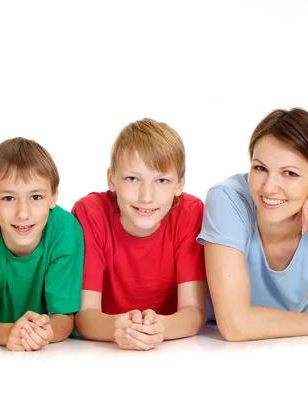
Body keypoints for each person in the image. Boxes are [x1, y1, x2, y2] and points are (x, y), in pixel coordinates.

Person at [198, 107, 308, 341]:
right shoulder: (229, 200)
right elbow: (235, 325)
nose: (269, 187)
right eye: (260, 168)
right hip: (213, 349)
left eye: (289, 173)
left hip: (302, 346)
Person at [72, 118, 207, 351]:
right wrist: (118, 327)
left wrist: (161, 328)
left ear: (179, 185)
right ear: (112, 179)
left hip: (171, 349)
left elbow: (194, 311)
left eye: (162, 180)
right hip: (102, 350)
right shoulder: (90, 212)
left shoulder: (190, 212)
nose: (146, 196)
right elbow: (85, 316)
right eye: (132, 179)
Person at [0, 137, 84, 351]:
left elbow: (65, 318)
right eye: (9, 198)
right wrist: (11, 333)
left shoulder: (65, 230)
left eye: (36, 197)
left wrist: (43, 333)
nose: (23, 213)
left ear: (53, 196)